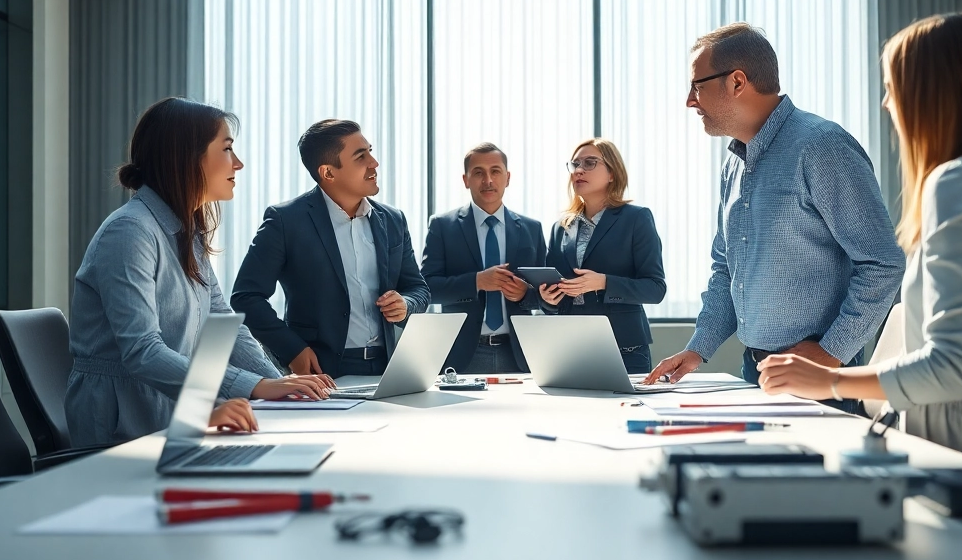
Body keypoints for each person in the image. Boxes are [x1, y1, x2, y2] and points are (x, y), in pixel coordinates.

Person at [756, 13, 962, 465]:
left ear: (933, 94)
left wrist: (826, 380)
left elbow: (953, 368)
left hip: (955, 463)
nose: (887, 104)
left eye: (893, 87)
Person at [645, 23, 905, 416]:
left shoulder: (823, 146)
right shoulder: (733, 165)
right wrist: (699, 347)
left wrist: (830, 353)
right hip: (756, 370)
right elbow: (726, 269)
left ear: (736, 82)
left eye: (697, 86)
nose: (689, 101)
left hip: (819, 378)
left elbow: (883, 263)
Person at [66, 98, 332, 448]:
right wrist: (250, 388)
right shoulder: (130, 232)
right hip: (126, 423)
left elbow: (223, 325)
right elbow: (142, 351)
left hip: (174, 408)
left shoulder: (185, 231)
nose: (238, 163)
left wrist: (285, 390)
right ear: (187, 157)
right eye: (226, 149)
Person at [232, 120, 431, 377]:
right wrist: (293, 350)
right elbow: (246, 297)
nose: (374, 163)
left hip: (391, 369)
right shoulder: (285, 220)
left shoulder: (392, 220)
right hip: (321, 373)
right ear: (328, 173)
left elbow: (419, 289)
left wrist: (405, 303)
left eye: (370, 151)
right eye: (361, 156)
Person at [538, 139, 666, 375]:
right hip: (570, 347)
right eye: (575, 164)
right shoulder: (561, 227)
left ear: (612, 173)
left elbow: (655, 289)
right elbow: (554, 292)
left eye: (589, 163)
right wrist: (548, 298)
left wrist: (603, 282)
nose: (578, 170)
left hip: (625, 348)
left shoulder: (636, 219)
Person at [422, 143, 546, 376]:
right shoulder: (442, 226)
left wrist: (525, 294)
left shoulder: (532, 229)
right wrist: (477, 282)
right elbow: (427, 289)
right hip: (461, 356)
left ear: (507, 178)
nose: (488, 180)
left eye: (495, 171)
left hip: (520, 355)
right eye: (478, 172)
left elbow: (547, 295)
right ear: (466, 180)